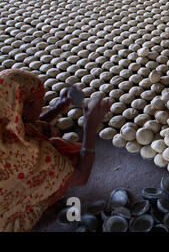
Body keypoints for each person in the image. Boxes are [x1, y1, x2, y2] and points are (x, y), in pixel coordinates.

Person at [0, 69, 111, 231]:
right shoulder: (28, 156)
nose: (43, 105)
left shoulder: (6, 114)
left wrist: (60, 106)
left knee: (44, 132)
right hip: (5, 221)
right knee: (65, 156)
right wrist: (90, 126)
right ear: (24, 105)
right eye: (40, 102)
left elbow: (27, 126)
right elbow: (81, 176)